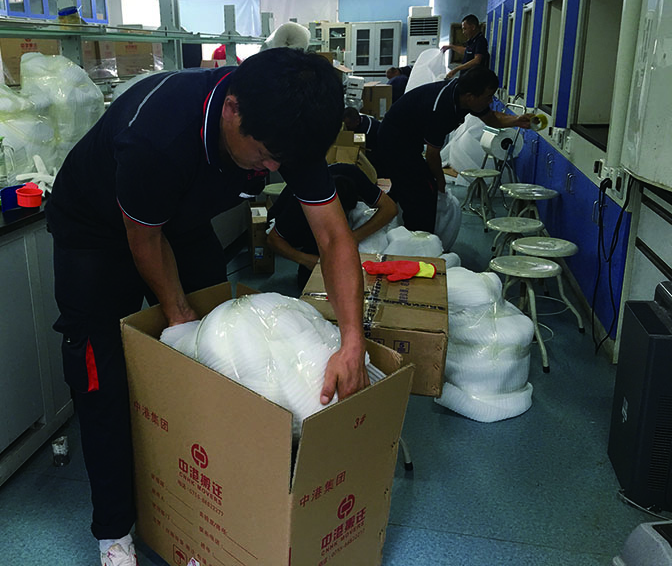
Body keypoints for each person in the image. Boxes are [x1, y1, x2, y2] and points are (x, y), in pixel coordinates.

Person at [45, 47, 369, 566]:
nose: (272, 169)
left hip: (180, 218)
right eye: (264, 156)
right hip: (96, 230)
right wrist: (178, 317)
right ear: (232, 109)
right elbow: (143, 239)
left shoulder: (287, 128)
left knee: (222, 352)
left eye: (280, 161)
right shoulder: (157, 134)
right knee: (101, 373)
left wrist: (352, 341)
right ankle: (114, 532)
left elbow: (333, 237)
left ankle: (212, 504)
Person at [376, 66, 531, 234]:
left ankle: (385, 225)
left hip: (408, 141)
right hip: (393, 141)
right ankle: (417, 238)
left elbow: (491, 118)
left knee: (410, 186)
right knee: (422, 191)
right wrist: (440, 181)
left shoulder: (465, 95)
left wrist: (517, 120)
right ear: (470, 97)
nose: (490, 101)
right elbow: (432, 155)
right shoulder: (443, 108)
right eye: (488, 97)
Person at [267, 162, 398, 290]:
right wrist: (307, 260)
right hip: (293, 223)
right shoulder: (301, 205)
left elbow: (390, 208)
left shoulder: (352, 174)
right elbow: (273, 240)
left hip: (327, 203)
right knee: (317, 277)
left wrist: (354, 237)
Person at [441, 14, 490, 79]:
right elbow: (467, 51)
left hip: (474, 79)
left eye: (465, 29)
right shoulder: (472, 41)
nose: (463, 32)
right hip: (466, 77)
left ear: (473, 27)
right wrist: (450, 47)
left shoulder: (480, 41)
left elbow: (477, 60)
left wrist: (456, 69)